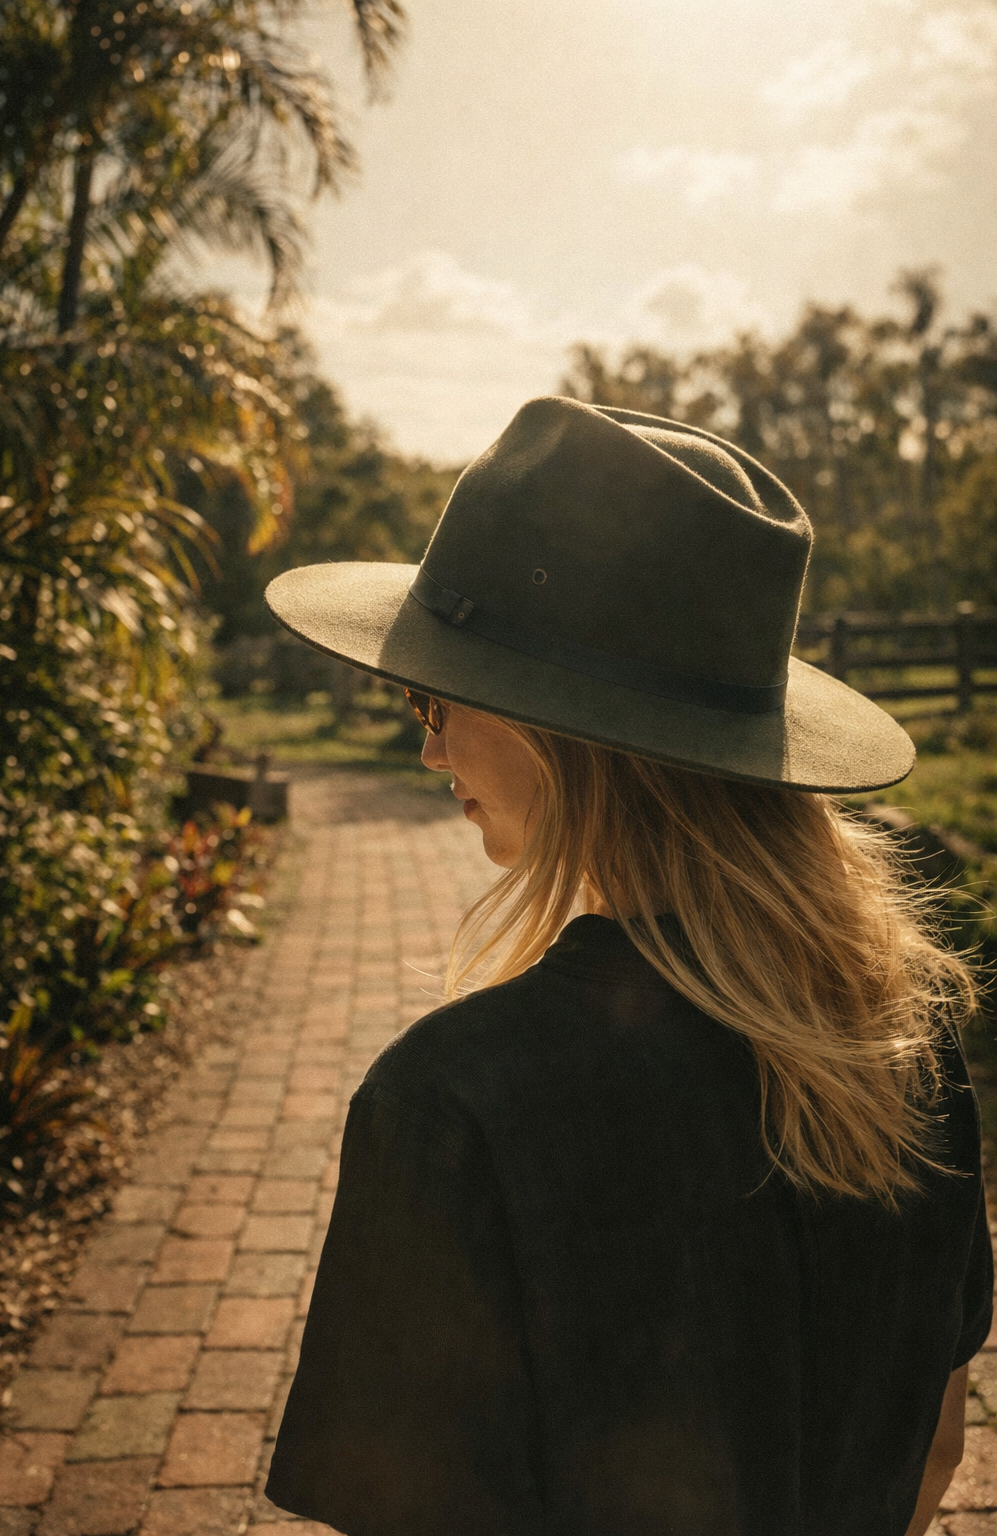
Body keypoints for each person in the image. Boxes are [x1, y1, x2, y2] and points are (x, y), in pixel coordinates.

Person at [262, 396, 991, 1535]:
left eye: (434, 695)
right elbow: (935, 1450)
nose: (428, 742)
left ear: (559, 727)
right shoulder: (905, 1034)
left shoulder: (453, 1103)